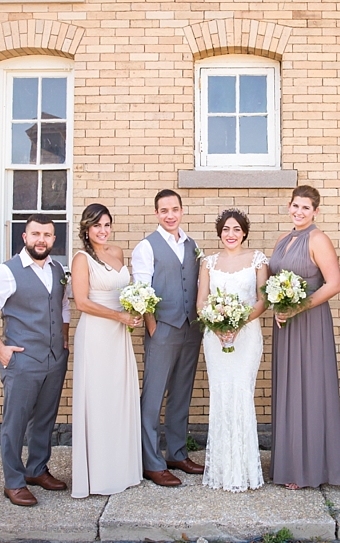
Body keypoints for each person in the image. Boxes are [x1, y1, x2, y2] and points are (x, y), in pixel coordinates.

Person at [0, 214, 70, 506]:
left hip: (54, 358)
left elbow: (63, 307)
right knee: (15, 423)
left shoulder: (57, 269)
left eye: (48, 235)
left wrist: (63, 339)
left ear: (54, 239)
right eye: (36, 234)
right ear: (24, 237)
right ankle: (13, 481)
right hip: (23, 360)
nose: (42, 239)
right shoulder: (7, 271)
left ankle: (37, 469)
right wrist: (0, 349)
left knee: (45, 419)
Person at [267, 185, 340, 489]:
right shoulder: (284, 239)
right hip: (286, 325)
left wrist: (299, 306)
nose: (299, 212)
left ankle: (308, 470)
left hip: (310, 323)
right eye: (295, 206)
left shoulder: (318, 238)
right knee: (289, 389)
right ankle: (290, 465)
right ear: (289, 206)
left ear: (315, 211)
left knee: (309, 389)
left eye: (306, 208)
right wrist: (277, 305)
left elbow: (334, 284)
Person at [131, 189, 205, 486]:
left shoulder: (192, 245)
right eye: (164, 210)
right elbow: (141, 290)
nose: (170, 215)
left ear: (182, 210)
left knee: (181, 393)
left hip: (191, 328)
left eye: (175, 209)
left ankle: (176, 452)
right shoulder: (146, 247)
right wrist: (152, 327)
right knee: (153, 396)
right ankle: (151, 461)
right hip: (162, 328)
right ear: (156, 214)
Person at [70, 204, 143, 498]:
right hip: (97, 335)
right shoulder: (81, 259)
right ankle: (98, 476)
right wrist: (120, 317)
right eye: (97, 225)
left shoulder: (118, 253)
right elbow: (82, 303)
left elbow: (125, 292)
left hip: (119, 334)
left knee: (119, 398)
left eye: (107, 225)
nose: (103, 230)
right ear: (87, 229)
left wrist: (136, 308)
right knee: (98, 400)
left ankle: (121, 469)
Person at [196, 209, 269, 492]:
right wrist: (216, 326)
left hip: (247, 335)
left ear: (244, 232)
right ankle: (222, 470)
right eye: (226, 229)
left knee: (241, 393)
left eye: (236, 229)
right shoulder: (208, 263)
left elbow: (262, 301)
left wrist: (238, 322)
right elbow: (202, 302)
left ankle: (245, 470)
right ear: (219, 232)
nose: (231, 234)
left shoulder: (258, 259)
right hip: (215, 338)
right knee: (221, 396)